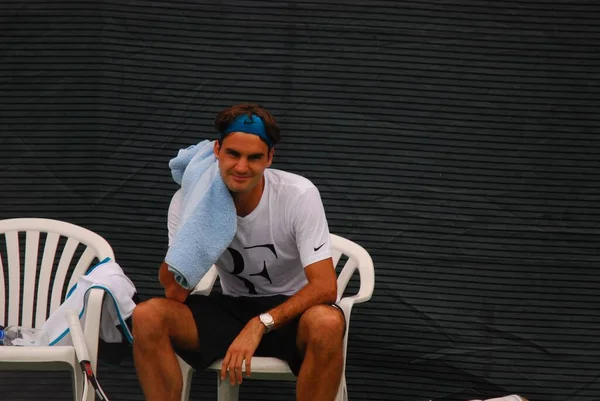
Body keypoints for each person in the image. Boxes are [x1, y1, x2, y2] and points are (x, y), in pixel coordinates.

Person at [132, 103, 346, 401]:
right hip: (231, 309)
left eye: (254, 157)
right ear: (217, 150)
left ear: (269, 158)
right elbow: (175, 294)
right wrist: (199, 222)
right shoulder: (189, 200)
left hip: (290, 315)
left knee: (328, 322)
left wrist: (260, 324)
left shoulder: (299, 194)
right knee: (147, 316)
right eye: (233, 154)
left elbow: (325, 287)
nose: (242, 167)